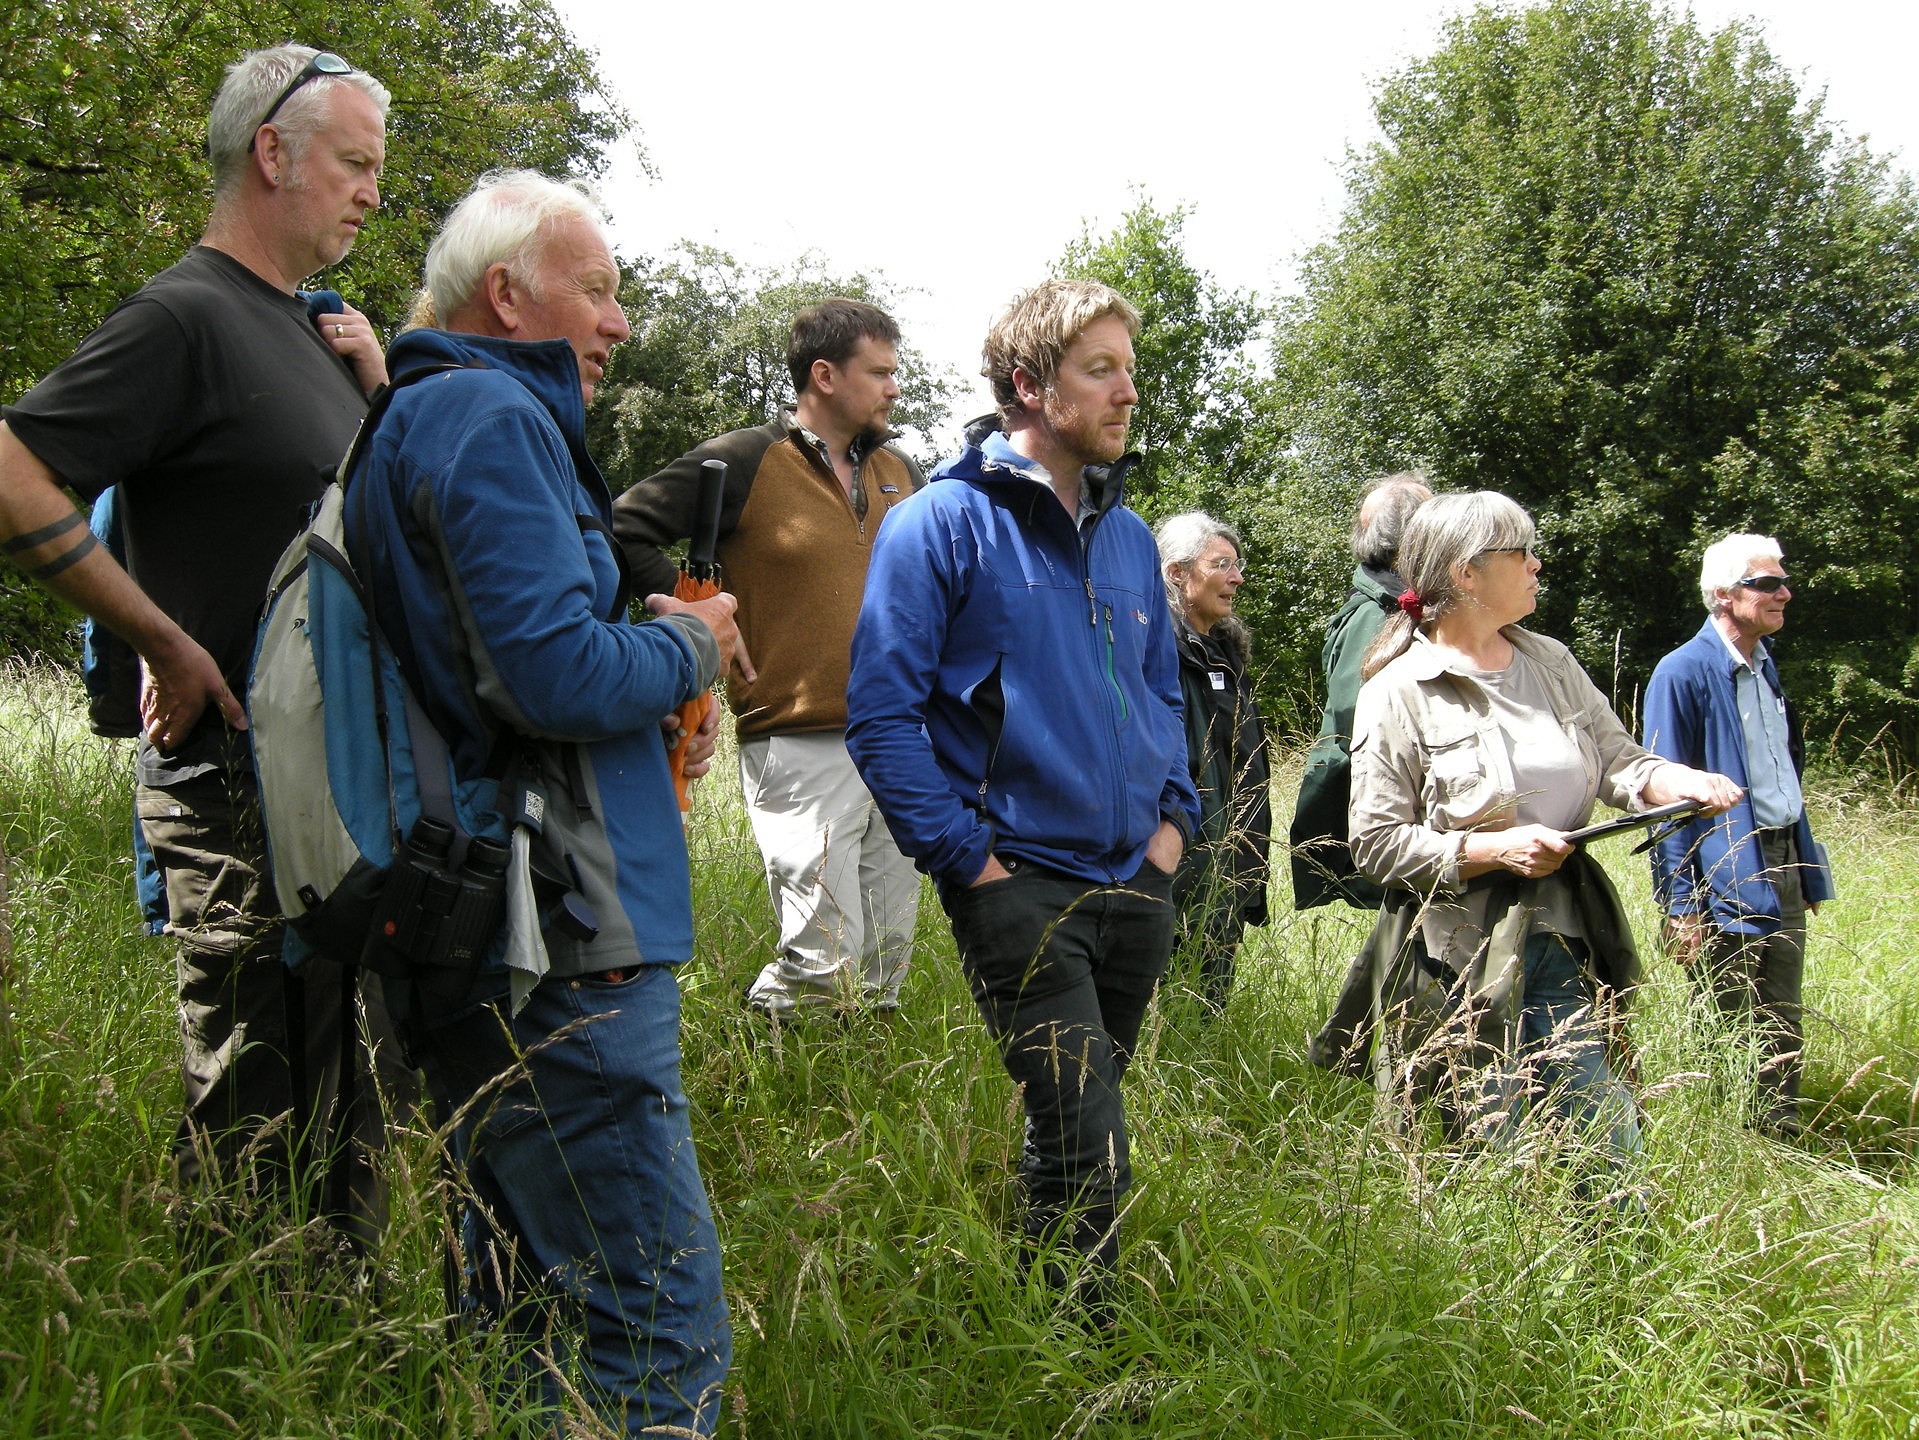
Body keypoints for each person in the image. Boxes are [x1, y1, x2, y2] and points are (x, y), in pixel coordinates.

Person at [344, 169, 736, 1435]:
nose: (618, 322)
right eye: (599, 290)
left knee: (516, 1314)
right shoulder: (488, 419)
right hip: (556, 948)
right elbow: (551, 671)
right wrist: (690, 644)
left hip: (480, 934)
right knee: (655, 1320)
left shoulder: (419, 414)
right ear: (507, 294)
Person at [0, 44, 399, 1251]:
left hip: (330, 781)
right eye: (356, 162)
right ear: (271, 154)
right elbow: (15, 466)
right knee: (254, 1094)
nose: (373, 190)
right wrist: (161, 644)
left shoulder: (308, 330)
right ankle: (236, 1345)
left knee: (342, 1088)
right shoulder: (184, 314)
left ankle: (336, 1340)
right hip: (227, 777)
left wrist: (377, 391)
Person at [846, 280, 1199, 1310]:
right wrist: (973, 867)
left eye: (1128, 368)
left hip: (1134, 884)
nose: (1128, 390)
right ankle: (1091, 1359)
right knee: (1089, 1135)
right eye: (1102, 368)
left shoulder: (1130, 540)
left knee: (1073, 1124)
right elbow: (879, 715)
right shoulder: (936, 524)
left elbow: (1159, 692)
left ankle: (1030, 1323)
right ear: (1027, 385)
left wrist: (1170, 834)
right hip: (1018, 886)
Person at [1322, 492, 1740, 1180]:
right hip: (1454, 956)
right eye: (1520, 552)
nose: (1536, 565)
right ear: (1465, 573)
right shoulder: (1397, 690)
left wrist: (1678, 782)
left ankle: (1616, 1273)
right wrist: (1491, 849)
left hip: (1563, 937)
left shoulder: (1549, 661)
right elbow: (1373, 844)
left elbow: (1621, 763)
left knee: (1606, 1137)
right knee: (1485, 1148)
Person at [614, 299, 922, 1019]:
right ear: (823, 374)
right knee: (823, 959)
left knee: (885, 957)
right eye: (878, 372)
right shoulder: (746, 460)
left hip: (903, 738)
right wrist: (700, 619)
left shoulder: (903, 471)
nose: (892, 388)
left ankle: (865, 1099)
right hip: (794, 734)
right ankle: (761, 1049)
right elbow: (620, 528)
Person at [1643, 534, 1833, 1139]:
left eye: (1783, 580)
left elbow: (1782, 773)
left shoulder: (1763, 663)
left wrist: (1803, 864)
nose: (1785, 592)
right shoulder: (1682, 671)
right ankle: (1729, 1144)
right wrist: (1680, 905)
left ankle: (1777, 1141)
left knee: (1782, 1014)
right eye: (1767, 583)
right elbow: (1667, 795)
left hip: (1778, 857)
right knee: (1729, 1020)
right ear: (1724, 595)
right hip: (1720, 867)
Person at [1292, 473, 1431, 911]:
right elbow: (1359, 725)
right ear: (1411, 537)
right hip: (1398, 827)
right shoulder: (1377, 616)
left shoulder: (1405, 605)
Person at [1154, 511, 1271, 1011]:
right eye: (1222, 564)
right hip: (1174, 872)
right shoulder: (1153, 650)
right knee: (1168, 1013)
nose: (1237, 577)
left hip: (1226, 870)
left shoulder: (1225, 654)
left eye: (1237, 565)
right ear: (1177, 572)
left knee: (1209, 1013)